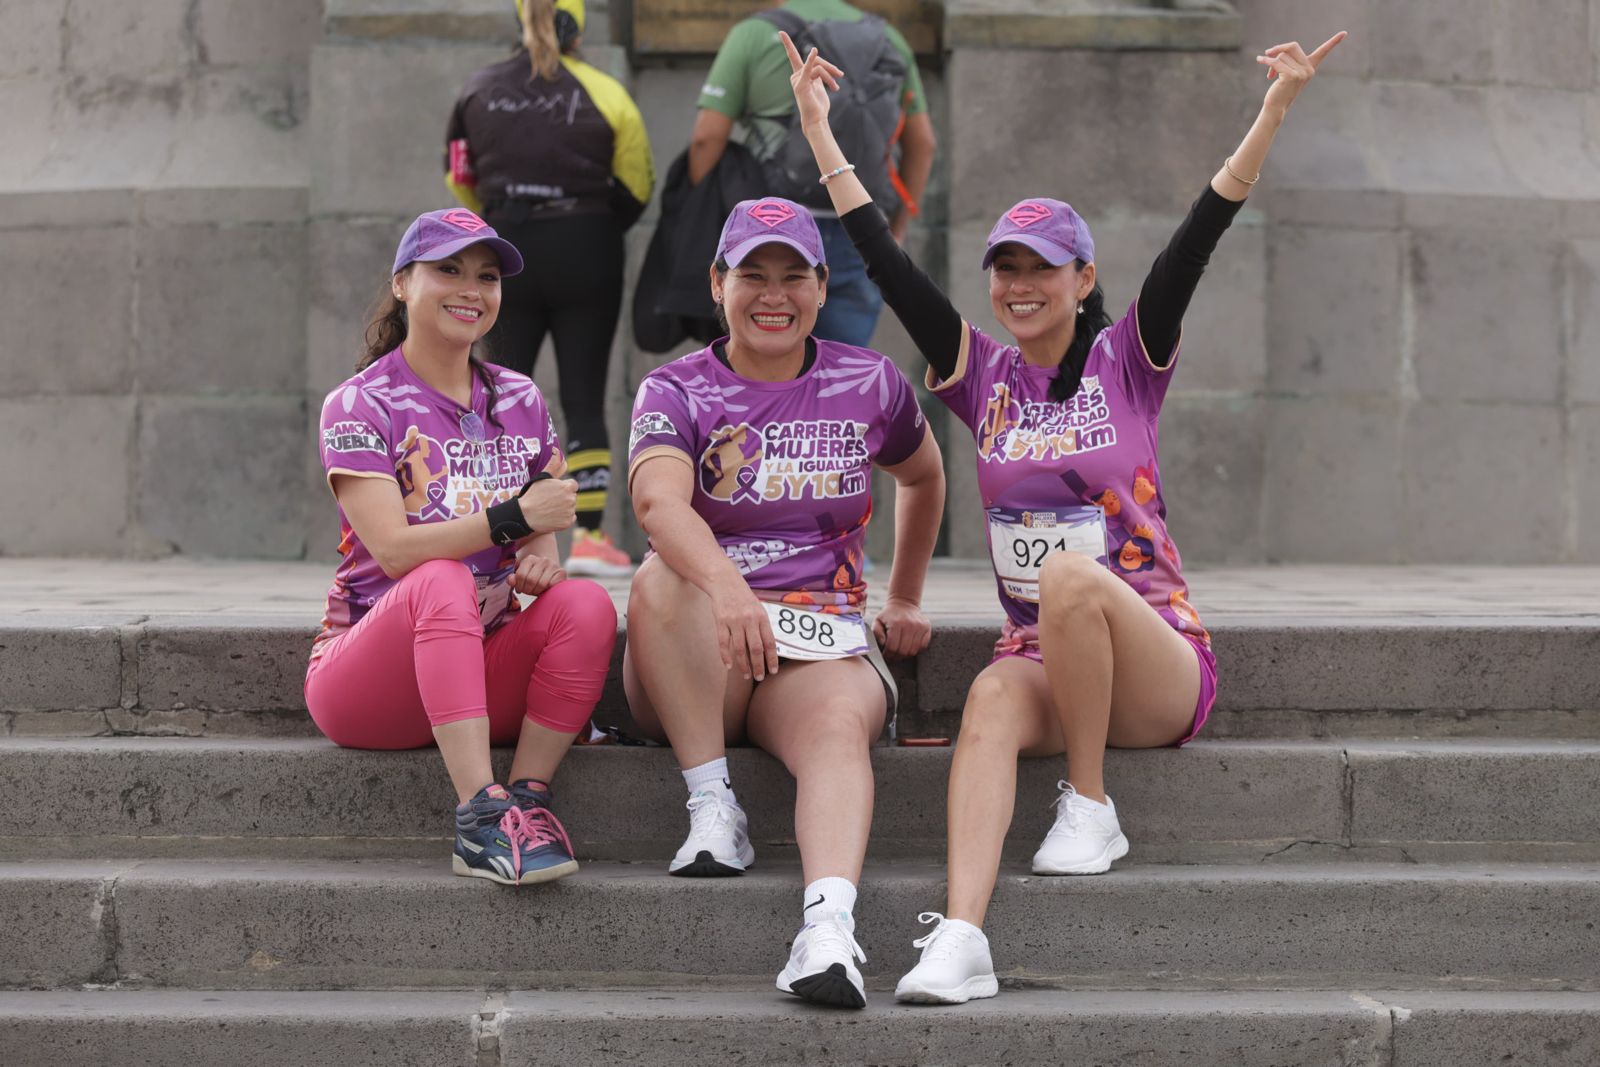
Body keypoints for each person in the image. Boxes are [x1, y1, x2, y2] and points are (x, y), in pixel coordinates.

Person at [784, 28, 1348, 1002]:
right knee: (990, 697)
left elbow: (1200, 232)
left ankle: (1090, 802)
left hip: (1156, 659)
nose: (1018, 285)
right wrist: (819, 132)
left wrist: (1272, 111)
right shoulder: (980, 375)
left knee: (1070, 577)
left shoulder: (1128, 356)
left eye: (1041, 267)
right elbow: (883, 259)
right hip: (1044, 659)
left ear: (1083, 280)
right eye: (1004, 268)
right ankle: (963, 937)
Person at [623, 196, 946, 1008]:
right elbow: (658, 504)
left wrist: (906, 594)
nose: (774, 295)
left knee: (837, 724)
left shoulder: (868, 379)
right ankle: (713, 807)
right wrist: (728, 588)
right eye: (752, 275)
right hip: (700, 648)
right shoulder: (674, 387)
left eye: (793, 276)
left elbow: (924, 474)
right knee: (659, 576)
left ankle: (828, 929)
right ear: (717, 283)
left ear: (822, 285)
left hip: (815, 643)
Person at [307, 207, 618, 887]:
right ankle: (480, 815)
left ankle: (526, 802)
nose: (470, 289)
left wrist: (540, 564)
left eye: (487, 276)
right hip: (367, 685)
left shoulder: (520, 397)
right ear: (402, 283)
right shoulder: (359, 403)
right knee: (441, 576)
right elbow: (394, 551)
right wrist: (511, 517)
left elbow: (542, 532)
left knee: (588, 605)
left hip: (477, 670)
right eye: (448, 270)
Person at [445, 0, 654, 577]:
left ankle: (494, 527)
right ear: (579, 31)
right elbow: (638, 182)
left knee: (494, 394)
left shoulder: (477, 90)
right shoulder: (606, 92)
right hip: (587, 244)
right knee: (585, 394)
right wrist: (594, 222)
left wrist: (497, 218)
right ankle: (588, 536)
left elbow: (459, 176)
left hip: (504, 247)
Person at [688, 0, 936, 348]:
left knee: (762, 359)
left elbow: (706, 139)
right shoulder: (890, 39)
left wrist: (704, 222)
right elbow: (922, 144)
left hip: (766, 232)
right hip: (859, 229)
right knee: (843, 364)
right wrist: (893, 232)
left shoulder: (754, 35)